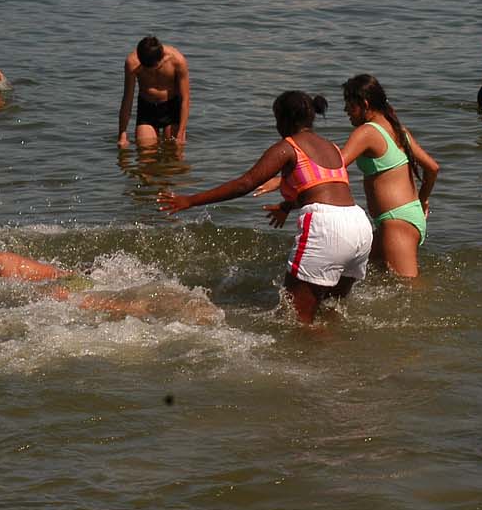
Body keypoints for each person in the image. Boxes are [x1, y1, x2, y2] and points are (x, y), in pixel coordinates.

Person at [158, 92, 371, 324]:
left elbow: (245, 184)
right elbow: (322, 189)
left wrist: (190, 200)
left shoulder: (288, 147)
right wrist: (286, 207)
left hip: (326, 228)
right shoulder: (331, 147)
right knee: (330, 311)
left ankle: (311, 349)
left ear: (284, 119)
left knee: (296, 319)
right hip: (359, 226)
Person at [0, 232, 219, 325]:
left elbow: (16, 285)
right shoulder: (6, 256)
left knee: (103, 304)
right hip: (69, 279)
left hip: (64, 284)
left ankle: (150, 309)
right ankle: (149, 309)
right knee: (103, 303)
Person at [337, 75, 440, 279]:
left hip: (396, 222)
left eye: (349, 104)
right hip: (406, 216)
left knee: (409, 289)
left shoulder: (367, 132)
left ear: (365, 104)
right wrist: (422, 201)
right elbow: (432, 168)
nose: (345, 110)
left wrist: (284, 178)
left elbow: (334, 167)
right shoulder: (397, 129)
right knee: (353, 276)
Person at [117, 36, 190, 148]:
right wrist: (122, 133)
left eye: (153, 67)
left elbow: (185, 99)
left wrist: (181, 133)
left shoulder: (177, 60)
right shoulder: (132, 62)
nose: (148, 70)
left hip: (171, 108)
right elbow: (128, 99)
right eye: (145, 67)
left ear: (161, 59)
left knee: (174, 151)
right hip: (146, 108)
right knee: (145, 150)